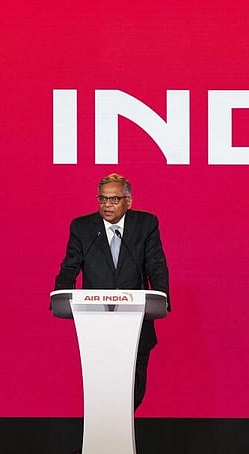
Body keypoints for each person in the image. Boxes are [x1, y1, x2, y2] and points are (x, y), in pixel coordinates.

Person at [54, 173, 171, 411]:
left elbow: (156, 265)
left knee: (134, 389)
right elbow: (70, 265)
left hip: (136, 320)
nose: (107, 205)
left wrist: (161, 296)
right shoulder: (83, 227)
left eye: (115, 199)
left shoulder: (146, 225)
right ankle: (101, 440)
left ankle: (119, 433)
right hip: (96, 323)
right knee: (101, 388)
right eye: (103, 199)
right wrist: (61, 293)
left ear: (129, 201)